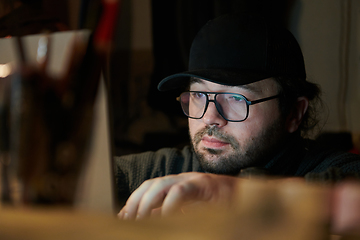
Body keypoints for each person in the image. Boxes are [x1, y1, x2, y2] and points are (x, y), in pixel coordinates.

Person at [115, 13, 360, 221]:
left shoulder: (334, 170)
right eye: (199, 94)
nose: (210, 117)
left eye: (235, 98)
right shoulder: (171, 168)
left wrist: (232, 193)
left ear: (294, 113)